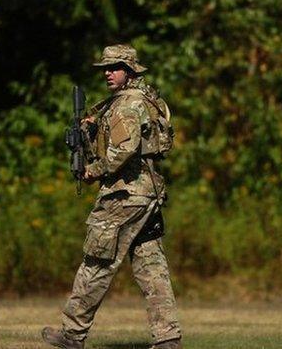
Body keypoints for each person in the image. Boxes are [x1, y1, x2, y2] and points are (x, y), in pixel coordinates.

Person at [41, 44, 182, 349]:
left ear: (130, 70)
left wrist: (93, 169)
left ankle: (72, 333)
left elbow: (123, 150)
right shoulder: (139, 99)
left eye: (115, 67)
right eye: (106, 68)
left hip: (125, 194)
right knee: (151, 266)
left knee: (97, 260)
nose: (108, 72)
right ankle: (168, 338)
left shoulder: (127, 105)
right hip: (147, 193)